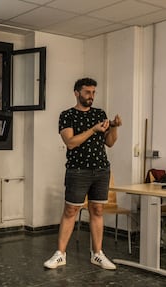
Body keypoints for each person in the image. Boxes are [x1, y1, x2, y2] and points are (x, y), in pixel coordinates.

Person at [44, 77, 122, 270]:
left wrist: (113, 127)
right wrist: (93, 129)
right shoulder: (67, 115)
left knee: (97, 210)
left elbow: (110, 142)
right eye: (87, 92)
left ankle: (97, 254)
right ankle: (60, 254)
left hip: (101, 169)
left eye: (94, 92)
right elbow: (70, 142)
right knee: (71, 210)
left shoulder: (99, 113)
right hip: (78, 169)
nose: (91, 96)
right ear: (77, 93)